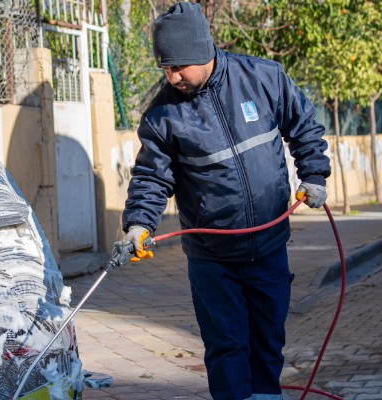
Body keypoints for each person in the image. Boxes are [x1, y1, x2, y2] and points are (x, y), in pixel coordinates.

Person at [122, 2, 331, 399]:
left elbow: (303, 125)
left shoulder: (263, 78)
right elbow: (152, 175)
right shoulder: (162, 115)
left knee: (268, 342)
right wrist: (139, 223)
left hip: (269, 246)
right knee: (227, 348)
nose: (173, 75)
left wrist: (314, 175)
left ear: (205, 51)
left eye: (180, 65)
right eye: (166, 67)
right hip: (212, 257)